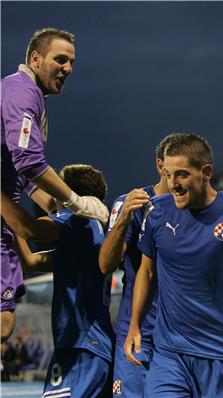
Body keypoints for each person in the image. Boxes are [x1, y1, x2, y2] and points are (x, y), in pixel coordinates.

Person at [124, 134, 223, 397]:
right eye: (168, 175)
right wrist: (134, 324)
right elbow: (146, 271)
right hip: (170, 356)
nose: (172, 184)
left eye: (181, 175)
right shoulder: (157, 212)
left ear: (206, 172)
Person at [1, 27, 109, 342]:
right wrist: (75, 200)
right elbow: (30, 162)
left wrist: (49, 200)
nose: (68, 69)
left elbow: (20, 171)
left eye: (72, 62)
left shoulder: (25, 94)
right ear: (35, 58)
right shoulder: (23, 93)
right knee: (4, 323)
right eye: (60, 59)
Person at [1, 164, 115, 397]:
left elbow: (30, 230)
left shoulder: (76, 220)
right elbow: (31, 262)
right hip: (92, 345)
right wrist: (8, 226)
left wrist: (3, 197)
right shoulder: (90, 230)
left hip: (81, 346)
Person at [99, 134, 180, 398]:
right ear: (160, 166)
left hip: (182, 334)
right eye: (173, 171)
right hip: (138, 332)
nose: (178, 179)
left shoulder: (197, 207)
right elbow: (106, 264)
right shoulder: (134, 204)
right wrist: (123, 219)